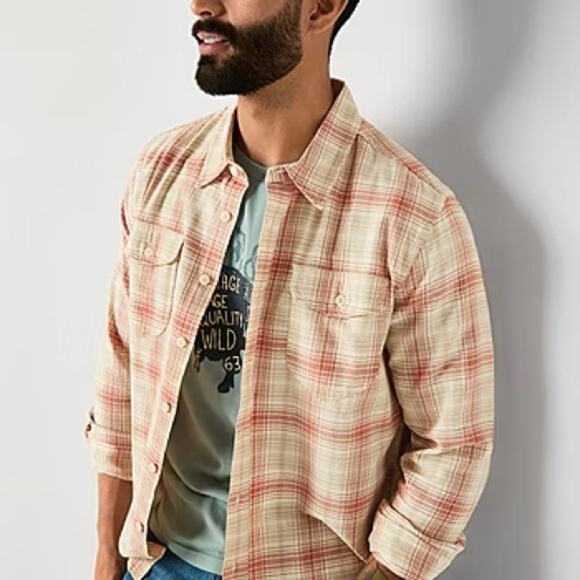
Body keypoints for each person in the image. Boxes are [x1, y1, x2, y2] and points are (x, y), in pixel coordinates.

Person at [84, 1, 495, 579]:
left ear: (321, 7)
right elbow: (121, 374)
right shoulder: (161, 173)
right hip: (157, 561)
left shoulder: (413, 215)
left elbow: (452, 441)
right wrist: (108, 556)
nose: (201, 4)